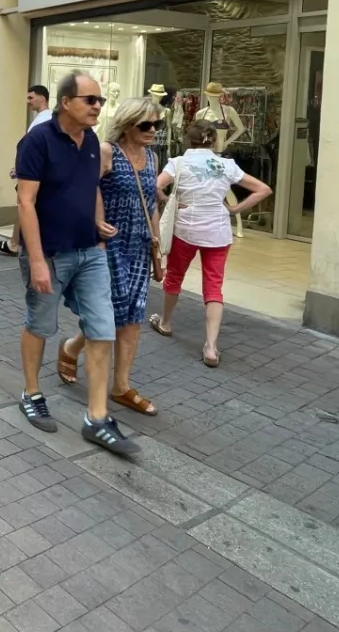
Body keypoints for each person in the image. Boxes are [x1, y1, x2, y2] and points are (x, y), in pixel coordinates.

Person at [14, 71, 138, 459]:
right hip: (50, 253)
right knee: (41, 325)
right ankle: (31, 393)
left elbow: (92, 188)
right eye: (90, 100)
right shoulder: (37, 141)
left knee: (102, 328)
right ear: (66, 102)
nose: (98, 107)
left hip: (90, 252)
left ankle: (97, 418)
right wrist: (36, 261)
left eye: (100, 101)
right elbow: (25, 202)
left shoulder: (93, 143)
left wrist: (98, 227)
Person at [58, 97, 164, 415]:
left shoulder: (153, 158)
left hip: (139, 247)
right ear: (127, 124)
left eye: (156, 124)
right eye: (145, 125)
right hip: (109, 246)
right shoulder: (107, 152)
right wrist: (96, 220)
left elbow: (152, 203)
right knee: (112, 315)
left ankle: (121, 386)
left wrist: (158, 242)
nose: (152, 130)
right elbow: (84, 188)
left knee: (132, 318)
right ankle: (71, 348)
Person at [149, 119, 273, 367]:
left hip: (186, 228)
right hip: (218, 230)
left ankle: (166, 322)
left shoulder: (178, 163)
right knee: (214, 286)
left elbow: (154, 185)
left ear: (188, 140)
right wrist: (235, 208)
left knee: (175, 276)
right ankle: (211, 347)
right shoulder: (227, 165)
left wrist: (166, 198)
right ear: (214, 140)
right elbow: (263, 189)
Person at [0, 84, 54, 257]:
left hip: (35, 175)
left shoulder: (44, 120)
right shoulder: (42, 119)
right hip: (33, 172)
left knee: (26, 205)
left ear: (42, 98)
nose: (27, 102)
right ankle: (14, 243)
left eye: (30, 98)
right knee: (26, 205)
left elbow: (35, 149)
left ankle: (16, 244)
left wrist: (23, 169)